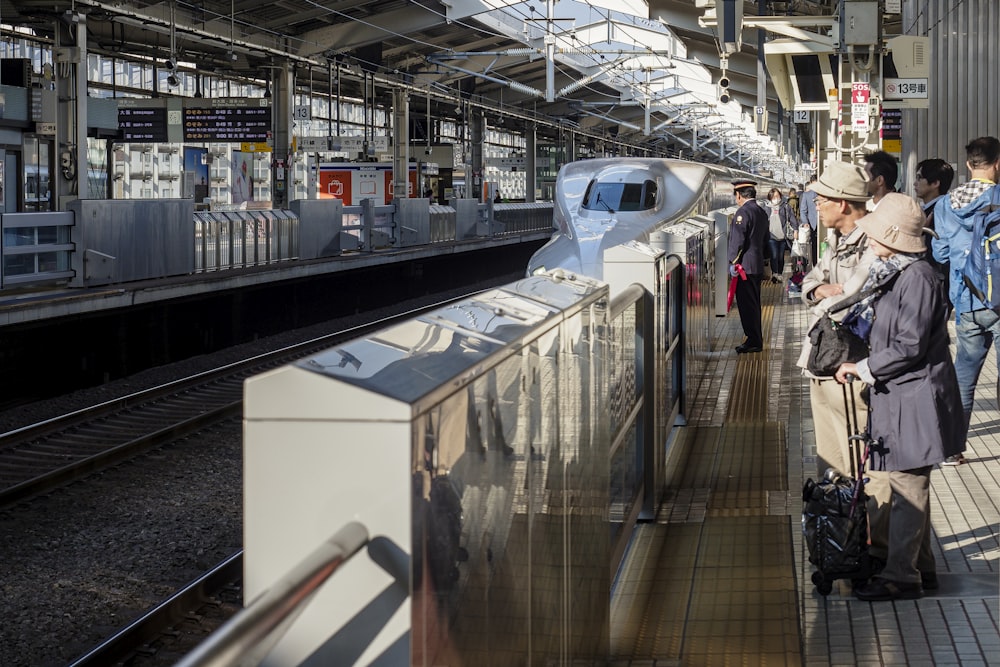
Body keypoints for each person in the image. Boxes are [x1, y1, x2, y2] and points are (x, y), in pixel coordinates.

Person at [834, 193, 964, 601]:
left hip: (917, 397)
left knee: (909, 487)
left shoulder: (917, 278)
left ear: (892, 236)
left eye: (874, 234)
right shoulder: (900, 271)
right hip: (904, 395)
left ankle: (902, 577)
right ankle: (921, 569)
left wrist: (864, 368)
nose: (868, 239)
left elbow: (909, 344)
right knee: (908, 480)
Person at [796, 161, 891, 567]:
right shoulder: (838, 240)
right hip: (826, 366)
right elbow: (808, 283)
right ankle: (846, 543)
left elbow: (851, 302)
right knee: (835, 462)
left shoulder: (874, 244)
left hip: (852, 369)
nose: (815, 203)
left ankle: (878, 549)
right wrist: (820, 289)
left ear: (843, 203)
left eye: (822, 198)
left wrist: (828, 295)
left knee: (868, 464)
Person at [930, 136, 1000, 466]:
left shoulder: (946, 204)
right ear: (997, 164)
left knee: (964, 377)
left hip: (967, 299)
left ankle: (952, 448)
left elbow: (940, 252)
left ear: (970, 165)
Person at [728, 178, 768, 353]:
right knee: (754, 303)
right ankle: (755, 338)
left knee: (747, 305)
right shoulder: (760, 211)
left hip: (745, 267)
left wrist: (733, 262)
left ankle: (753, 341)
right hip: (756, 264)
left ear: (739, 195)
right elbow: (766, 239)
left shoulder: (742, 213)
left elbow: (738, 240)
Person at [764, 187, 796, 282]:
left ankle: (780, 273)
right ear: (770, 198)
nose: (776, 198)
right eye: (773, 196)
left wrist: (796, 230)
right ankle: (775, 274)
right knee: (774, 256)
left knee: (780, 257)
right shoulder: (767, 208)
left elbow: (792, 218)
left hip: (782, 236)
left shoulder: (785, 206)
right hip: (771, 236)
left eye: (777, 196)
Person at [799, 174, 819, 264]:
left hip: (823, 224)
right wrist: (805, 222)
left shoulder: (824, 193)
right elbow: (803, 210)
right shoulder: (806, 195)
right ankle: (815, 264)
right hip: (812, 224)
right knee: (814, 246)